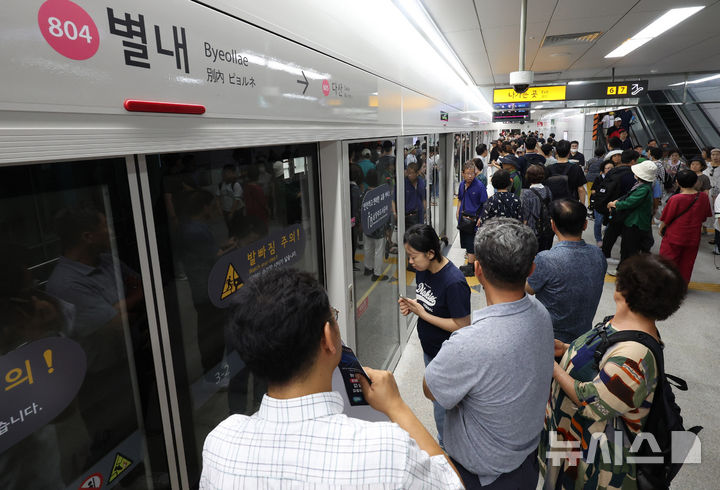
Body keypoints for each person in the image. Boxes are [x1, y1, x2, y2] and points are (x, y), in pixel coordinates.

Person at [201, 269, 463, 489]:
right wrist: (397, 407)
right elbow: (452, 484)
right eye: (334, 316)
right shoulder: (386, 449)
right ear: (328, 338)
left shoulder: (220, 443)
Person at [424, 218, 554, 489]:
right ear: (531, 269)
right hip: (526, 462)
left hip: (481, 477)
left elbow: (430, 389)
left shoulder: (468, 343)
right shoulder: (541, 313)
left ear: (478, 270)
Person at [540, 254, 687, 489]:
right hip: (573, 443)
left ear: (626, 293)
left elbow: (591, 402)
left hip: (596, 466)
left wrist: (552, 366)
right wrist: (567, 349)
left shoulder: (635, 357)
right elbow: (604, 359)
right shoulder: (623, 325)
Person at [399, 224, 471, 446]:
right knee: (437, 401)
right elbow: (430, 302)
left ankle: (446, 447)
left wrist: (423, 314)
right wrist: (414, 306)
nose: (410, 262)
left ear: (431, 253)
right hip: (430, 349)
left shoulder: (454, 282)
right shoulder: (423, 270)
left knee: (442, 406)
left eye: (413, 256)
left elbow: (462, 325)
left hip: (447, 355)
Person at [526, 199, 607, 343]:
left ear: (553, 225)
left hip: (550, 339)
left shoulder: (546, 259)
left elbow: (528, 289)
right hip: (583, 338)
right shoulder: (598, 255)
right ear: (585, 224)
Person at [659, 169, 713, 283]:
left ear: (677, 182)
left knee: (668, 261)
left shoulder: (675, 199)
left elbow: (666, 218)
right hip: (693, 236)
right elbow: (704, 217)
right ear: (696, 182)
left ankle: (667, 285)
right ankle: (682, 285)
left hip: (674, 235)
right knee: (687, 263)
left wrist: (661, 228)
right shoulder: (703, 197)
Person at [607, 160, 656, 263]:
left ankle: (625, 269)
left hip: (635, 223)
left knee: (629, 249)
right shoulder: (642, 185)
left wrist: (615, 204)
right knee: (628, 248)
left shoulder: (643, 189)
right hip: (636, 221)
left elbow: (630, 202)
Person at [600, 150, 641, 264]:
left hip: (611, 206)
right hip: (623, 207)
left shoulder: (613, 171)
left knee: (611, 231)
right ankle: (624, 259)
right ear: (632, 161)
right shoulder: (632, 174)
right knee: (625, 234)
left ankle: (605, 254)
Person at [457, 161, 488, 276]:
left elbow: (485, 204)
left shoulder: (479, 186)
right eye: (468, 173)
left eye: (472, 173)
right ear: (463, 173)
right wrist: (457, 211)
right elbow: (460, 199)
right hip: (463, 219)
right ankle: (471, 264)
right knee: (466, 241)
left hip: (474, 220)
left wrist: (481, 218)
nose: (470, 176)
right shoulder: (462, 185)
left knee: (471, 242)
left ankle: (471, 267)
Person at [362, 169, 390, 282]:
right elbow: (385, 211)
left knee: (368, 247)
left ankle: (368, 268)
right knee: (379, 250)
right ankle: (377, 273)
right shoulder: (380, 195)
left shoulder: (364, 194)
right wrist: (388, 228)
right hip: (379, 227)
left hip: (367, 226)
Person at [521, 164, 554, 251]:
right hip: (547, 228)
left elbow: (525, 215)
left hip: (533, 230)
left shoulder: (526, 193)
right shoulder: (548, 190)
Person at [393, 161, 426, 230]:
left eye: (411, 173)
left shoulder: (421, 182)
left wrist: (425, 212)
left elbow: (423, 199)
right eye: (408, 173)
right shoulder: (402, 184)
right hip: (407, 216)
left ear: (417, 173)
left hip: (419, 214)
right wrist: (394, 213)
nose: (409, 175)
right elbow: (393, 199)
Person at [590, 161, 615, 247]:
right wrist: (601, 193)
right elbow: (593, 190)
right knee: (598, 222)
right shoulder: (599, 178)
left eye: (612, 168)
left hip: (610, 205)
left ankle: (606, 236)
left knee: (610, 223)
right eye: (608, 168)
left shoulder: (615, 179)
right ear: (603, 170)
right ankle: (598, 239)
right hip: (599, 204)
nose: (610, 170)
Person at [216, 164, 244, 231]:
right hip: (226, 210)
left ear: (233, 173)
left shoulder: (236, 185)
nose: (225, 174)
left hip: (237, 211)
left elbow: (236, 200)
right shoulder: (221, 185)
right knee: (230, 228)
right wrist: (219, 208)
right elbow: (217, 197)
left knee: (239, 228)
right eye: (224, 172)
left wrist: (232, 213)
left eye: (228, 172)